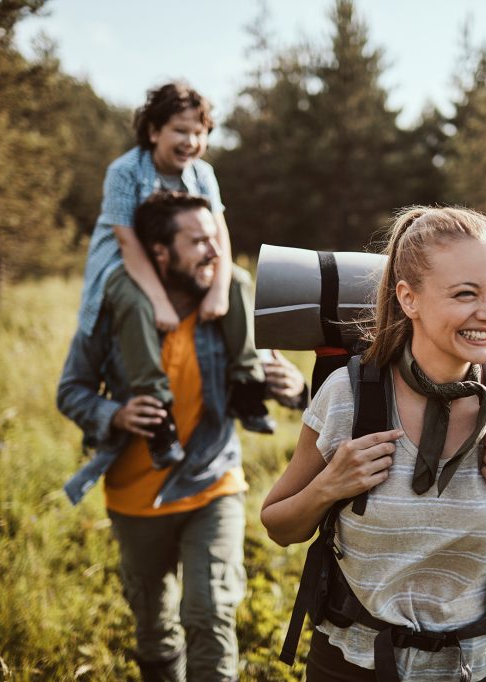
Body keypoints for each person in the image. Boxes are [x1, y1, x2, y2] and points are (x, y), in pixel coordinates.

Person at [261, 206, 486, 681]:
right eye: (465, 294)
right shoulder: (348, 396)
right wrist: (328, 487)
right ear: (409, 298)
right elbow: (278, 527)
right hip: (353, 665)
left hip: (472, 669)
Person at [58, 191, 307, 682]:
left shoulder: (225, 306)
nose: (212, 251)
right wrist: (117, 412)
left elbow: (280, 381)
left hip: (213, 486)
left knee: (210, 612)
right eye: (196, 242)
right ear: (159, 252)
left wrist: (296, 388)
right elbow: (71, 391)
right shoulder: (113, 312)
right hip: (134, 497)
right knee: (153, 626)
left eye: (213, 238)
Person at [75, 81, 273, 471]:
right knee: (134, 301)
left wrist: (218, 290)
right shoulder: (125, 171)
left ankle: (247, 384)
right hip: (124, 263)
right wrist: (159, 301)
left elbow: (220, 232)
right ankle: (158, 410)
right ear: (153, 132)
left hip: (185, 261)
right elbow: (128, 243)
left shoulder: (202, 174)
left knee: (238, 281)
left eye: (199, 132)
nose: (191, 141)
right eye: (180, 131)